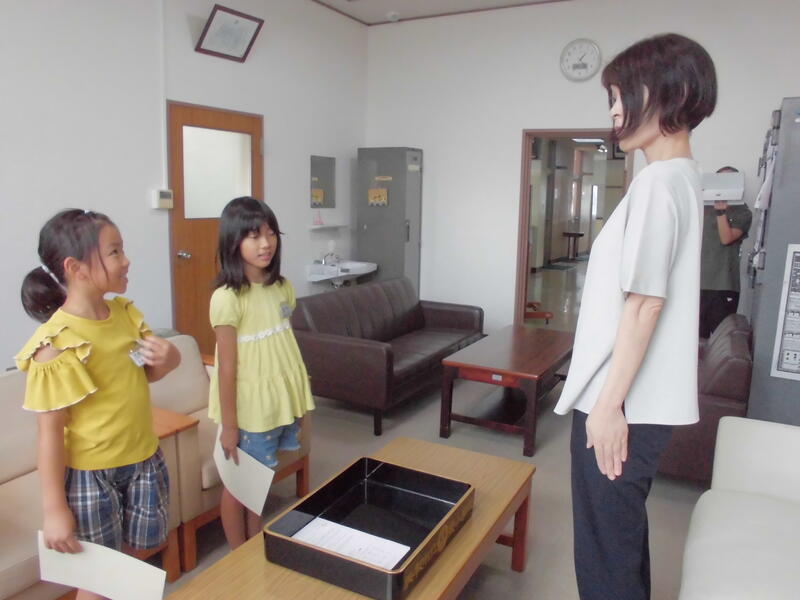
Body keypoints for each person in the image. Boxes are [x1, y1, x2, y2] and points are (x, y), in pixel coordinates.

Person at [553, 34, 717, 600]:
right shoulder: (684, 178)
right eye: (611, 99)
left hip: (622, 403)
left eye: (622, 94)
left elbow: (645, 303)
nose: (615, 110)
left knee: (605, 553)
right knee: (621, 540)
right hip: (641, 405)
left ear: (673, 90)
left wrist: (607, 406)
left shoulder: (657, 182)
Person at [16, 209, 180, 600]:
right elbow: (49, 435)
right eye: (114, 252)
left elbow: (147, 374)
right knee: (98, 580)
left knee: (134, 563)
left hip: (143, 460)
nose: (126, 260)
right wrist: (55, 509)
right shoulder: (55, 343)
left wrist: (170, 358)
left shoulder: (125, 314)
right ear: (76, 268)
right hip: (92, 476)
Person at [210, 196, 315, 549]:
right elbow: (226, 368)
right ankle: (237, 555)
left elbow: (284, 346)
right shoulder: (227, 298)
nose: (265, 243)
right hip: (250, 409)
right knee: (239, 486)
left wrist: (296, 401)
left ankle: (254, 539)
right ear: (233, 242)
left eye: (270, 233)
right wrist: (229, 425)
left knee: (260, 479)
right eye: (253, 236)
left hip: (277, 403)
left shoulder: (281, 286)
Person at [699, 166, 752, 337]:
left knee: (721, 337)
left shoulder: (742, 212)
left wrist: (720, 211)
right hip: (697, 283)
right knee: (695, 337)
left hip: (724, 284)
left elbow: (726, 238)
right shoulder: (702, 209)